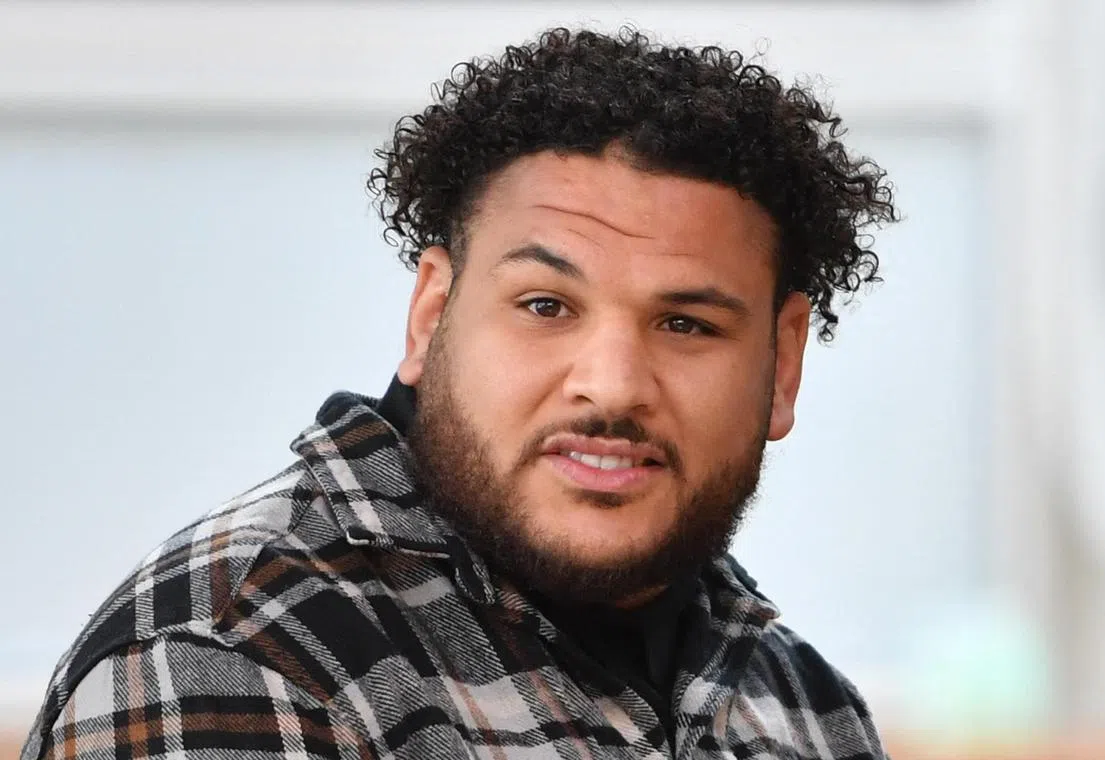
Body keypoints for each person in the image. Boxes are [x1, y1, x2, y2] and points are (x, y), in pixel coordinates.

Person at [21, 27, 897, 760]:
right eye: (546, 306)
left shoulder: (807, 712)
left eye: (687, 325)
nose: (614, 385)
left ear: (782, 366)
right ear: (430, 315)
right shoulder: (234, 659)